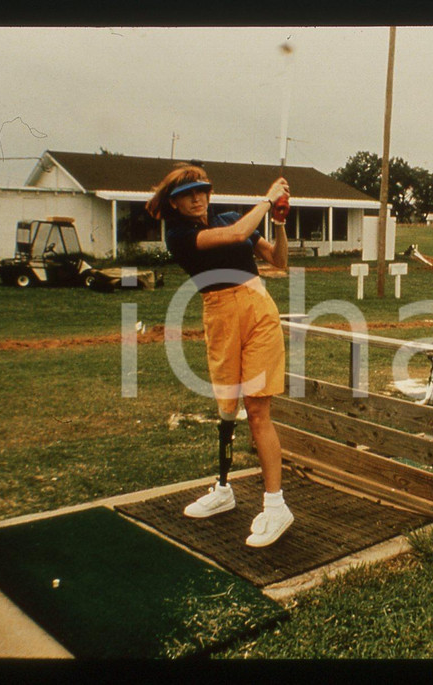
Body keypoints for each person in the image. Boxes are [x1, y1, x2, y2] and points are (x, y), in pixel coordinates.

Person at [146, 163, 293, 548]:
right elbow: (237, 234)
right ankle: (224, 489)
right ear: (174, 203)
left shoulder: (228, 217)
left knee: (257, 410)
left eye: (202, 191)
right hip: (220, 315)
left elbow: (278, 261)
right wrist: (267, 199)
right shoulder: (179, 235)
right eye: (187, 195)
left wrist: (279, 222)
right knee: (227, 409)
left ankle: (276, 506)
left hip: (258, 311)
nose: (197, 199)